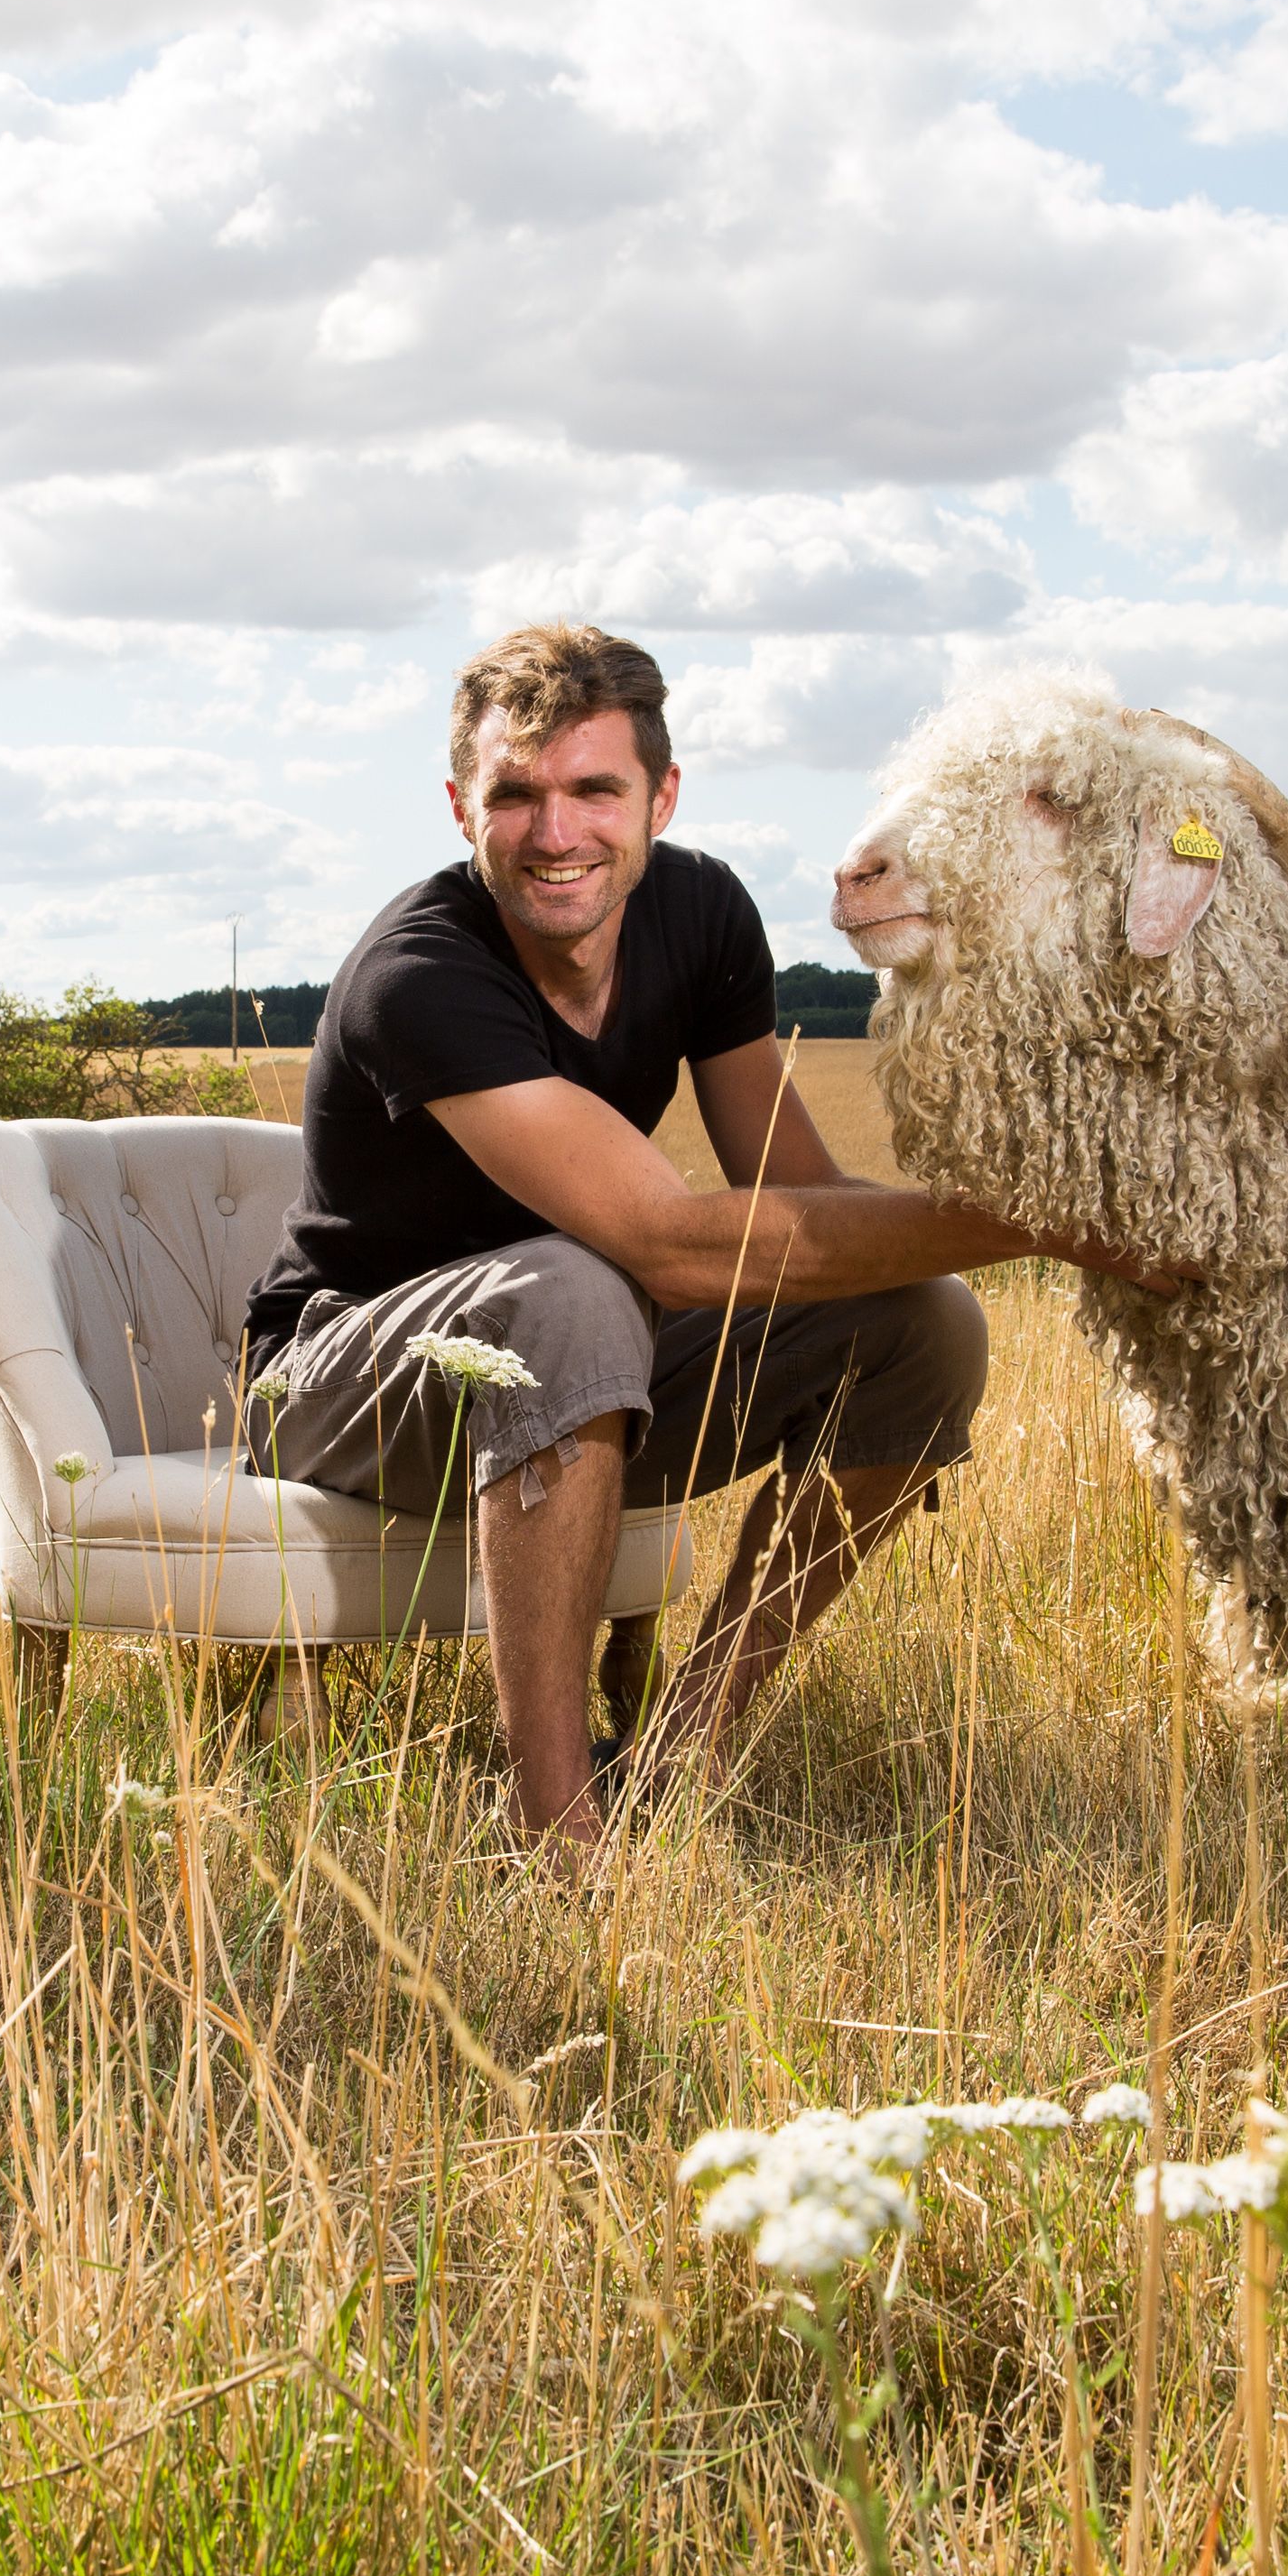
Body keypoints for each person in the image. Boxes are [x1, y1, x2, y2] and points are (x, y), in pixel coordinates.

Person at [246, 625, 1159, 1851]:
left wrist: (1029, 1194)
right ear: (461, 803)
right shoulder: (419, 974)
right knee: (577, 1288)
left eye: (594, 791)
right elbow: (672, 1246)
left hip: (577, 1367)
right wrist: (1054, 1223)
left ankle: (688, 1746)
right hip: (343, 1386)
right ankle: (557, 1838)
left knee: (921, 1324)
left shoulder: (702, 913)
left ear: (660, 798)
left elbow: (798, 1189)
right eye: (515, 794)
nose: (555, 833)